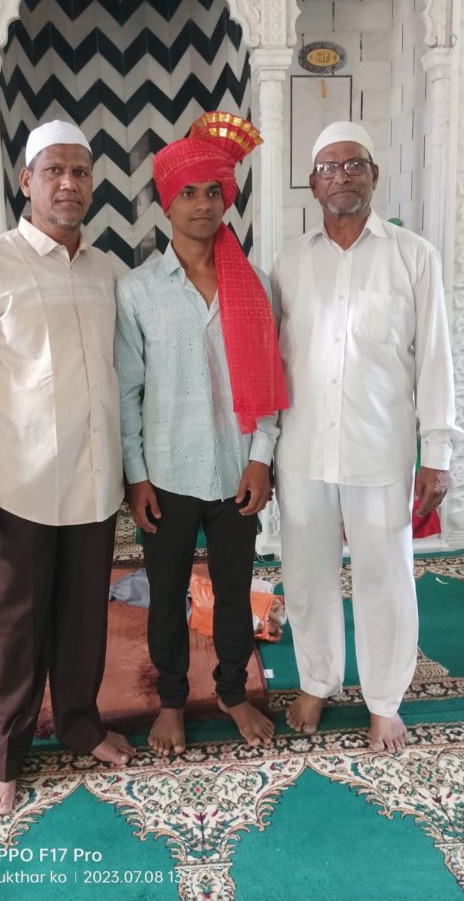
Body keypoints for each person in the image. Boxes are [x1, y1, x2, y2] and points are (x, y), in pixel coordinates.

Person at [0, 119, 134, 817]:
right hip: (17, 487)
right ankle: (3, 755)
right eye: (54, 170)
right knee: (16, 629)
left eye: (79, 171)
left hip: (92, 482)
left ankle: (80, 725)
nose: (68, 183)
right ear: (27, 181)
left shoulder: (109, 273)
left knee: (83, 622)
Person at [271, 120, 464, 753]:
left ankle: (384, 699)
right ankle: (317, 681)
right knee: (307, 576)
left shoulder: (414, 256)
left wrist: (436, 453)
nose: (342, 177)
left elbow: (434, 360)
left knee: (386, 576)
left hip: (380, 448)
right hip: (302, 451)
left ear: (374, 175)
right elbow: (273, 363)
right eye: (329, 167)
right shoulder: (290, 261)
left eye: (354, 164)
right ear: (312, 184)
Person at [114, 112, 288, 757]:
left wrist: (261, 458)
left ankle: (233, 694)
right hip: (167, 473)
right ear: (166, 203)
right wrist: (137, 476)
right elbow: (127, 391)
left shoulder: (254, 283)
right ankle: (170, 702)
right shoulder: (137, 291)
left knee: (236, 592)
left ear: (226, 198)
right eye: (188, 192)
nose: (203, 205)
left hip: (237, 469)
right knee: (166, 596)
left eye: (213, 191)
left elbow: (269, 378)